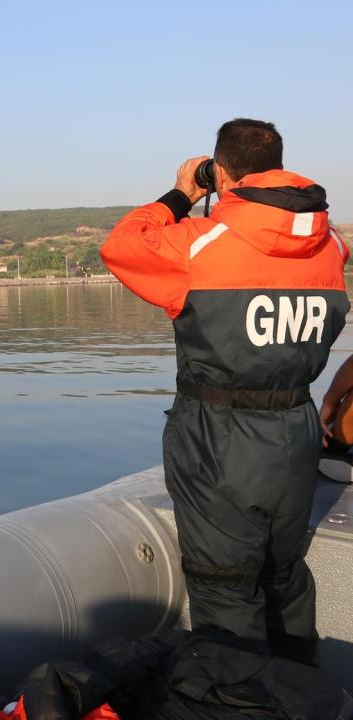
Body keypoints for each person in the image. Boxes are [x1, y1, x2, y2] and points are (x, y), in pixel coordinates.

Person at [100, 118, 348, 664]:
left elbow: (121, 246)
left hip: (219, 436)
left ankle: (238, 695)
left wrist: (182, 194)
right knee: (283, 573)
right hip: (296, 427)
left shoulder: (198, 245)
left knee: (223, 583)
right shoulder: (330, 244)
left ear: (221, 171)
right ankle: (297, 687)